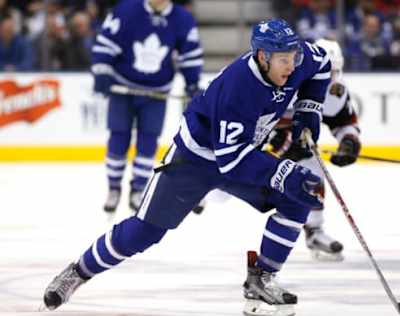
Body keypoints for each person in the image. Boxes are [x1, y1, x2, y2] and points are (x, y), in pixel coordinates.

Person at [43, 19, 333, 316]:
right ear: (262, 56)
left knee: (299, 198)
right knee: (145, 232)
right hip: (195, 160)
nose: (291, 65)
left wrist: (309, 108)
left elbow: (323, 64)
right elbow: (230, 160)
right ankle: (77, 272)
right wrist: (284, 173)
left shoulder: (299, 60)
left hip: (240, 153)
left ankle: (263, 279)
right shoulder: (238, 86)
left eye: (294, 57)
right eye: (284, 59)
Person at [92, 0, 203, 213]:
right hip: (121, 87)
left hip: (156, 92)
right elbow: (106, 41)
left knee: (148, 141)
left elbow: (189, 54)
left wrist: (192, 82)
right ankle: (114, 187)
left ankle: (138, 188)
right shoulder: (126, 10)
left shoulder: (183, 19)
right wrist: (102, 68)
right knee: (118, 137)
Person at [267, 38, 361, 261]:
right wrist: (282, 141)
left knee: (312, 171)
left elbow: (345, 121)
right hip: (261, 143)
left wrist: (349, 141)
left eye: (335, 71)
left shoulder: (336, 92)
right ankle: (203, 188)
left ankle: (315, 231)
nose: (330, 78)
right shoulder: (282, 80)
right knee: (223, 190)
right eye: (327, 70)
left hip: (295, 143)